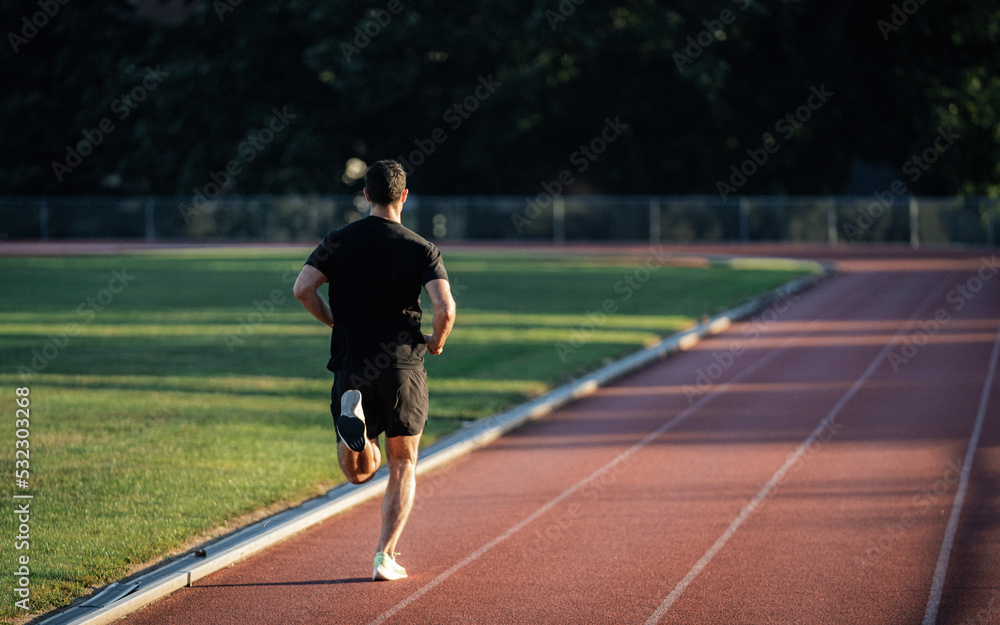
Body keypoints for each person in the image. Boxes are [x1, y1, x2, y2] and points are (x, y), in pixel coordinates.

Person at [293, 159, 456, 581]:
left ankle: (358, 430)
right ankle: (385, 556)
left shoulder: (338, 240)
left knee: (359, 472)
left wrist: (334, 321)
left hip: (352, 365)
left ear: (366, 195)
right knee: (403, 463)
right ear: (404, 196)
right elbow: (445, 308)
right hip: (402, 366)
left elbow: (303, 289)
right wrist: (436, 342)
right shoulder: (421, 248)